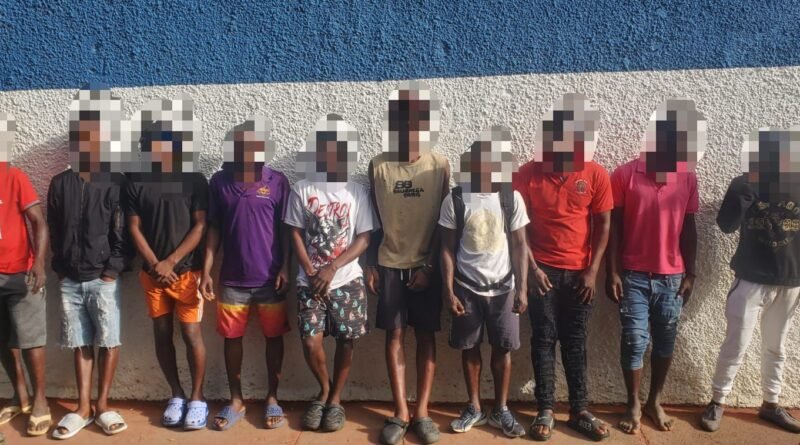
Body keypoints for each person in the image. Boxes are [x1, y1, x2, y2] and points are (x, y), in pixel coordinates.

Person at [512, 93, 612, 442]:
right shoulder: (527, 174)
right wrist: (533, 269)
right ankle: (545, 410)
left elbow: (604, 225)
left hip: (580, 275)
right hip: (542, 273)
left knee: (575, 340)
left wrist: (593, 270)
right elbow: (518, 229)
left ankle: (579, 410)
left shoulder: (595, 173)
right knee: (543, 339)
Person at [606, 99, 703, 434]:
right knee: (634, 340)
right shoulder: (625, 175)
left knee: (665, 341)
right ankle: (633, 403)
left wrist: (691, 272)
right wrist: (612, 271)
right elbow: (614, 227)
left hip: (673, 277)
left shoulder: (687, 177)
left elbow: (689, 228)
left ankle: (654, 401)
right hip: (633, 275)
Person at [700, 127, 800, 433]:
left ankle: (771, 403)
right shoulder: (744, 183)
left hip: (790, 280)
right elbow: (726, 224)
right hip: (750, 279)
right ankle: (717, 401)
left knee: (776, 347)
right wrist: (749, 187)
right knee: (736, 344)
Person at [366, 81, 450, 445]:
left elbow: (446, 223)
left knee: (426, 336)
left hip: (425, 267)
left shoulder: (439, 165)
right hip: (389, 264)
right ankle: (400, 411)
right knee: (395, 335)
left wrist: (430, 267)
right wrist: (370, 263)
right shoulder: (378, 165)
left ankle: (423, 412)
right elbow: (372, 219)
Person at [48, 87, 131, 439]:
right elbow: (54, 228)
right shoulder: (59, 183)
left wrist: (113, 270)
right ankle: (82, 408)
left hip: (103, 278)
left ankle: (103, 405)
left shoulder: (115, 182)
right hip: (70, 278)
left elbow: (123, 231)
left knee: (108, 341)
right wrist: (60, 267)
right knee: (79, 342)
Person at [200, 117, 291, 431]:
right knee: (231, 339)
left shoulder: (277, 181)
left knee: (274, 337)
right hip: (232, 280)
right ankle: (236, 399)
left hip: (270, 278)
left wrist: (286, 267)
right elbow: (214, 229)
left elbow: (286, 229)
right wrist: (206, 270)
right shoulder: (219, 182)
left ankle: (272, 398)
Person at [286, 114, 375, 433]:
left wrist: (332, 267)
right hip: (309, 281)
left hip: (347, 279)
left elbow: (364, 238)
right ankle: (324, 391)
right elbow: (295, 233)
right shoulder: (302, 189)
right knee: (311, 342)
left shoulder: (357, 191)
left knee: (346, 341)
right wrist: (312, 271)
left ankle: (335, 400)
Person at [125, 98, 210, 430]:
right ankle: (176, 394)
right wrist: (155, 264)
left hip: (188, 272)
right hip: (153, 276)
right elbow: (134, 227)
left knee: (191, 334)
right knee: (161, 334)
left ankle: (198, 398)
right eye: (154, 144)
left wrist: (171, 261)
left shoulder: (194, 180)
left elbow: (200, 225)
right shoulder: (136, 182)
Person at [440, 127, 529, 438]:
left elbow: (520, 244)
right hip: (466, 288)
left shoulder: (510, 198)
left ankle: (501, 409)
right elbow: (446, 249)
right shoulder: (456, 199)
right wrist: (449, 291)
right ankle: (474, 407)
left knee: (503, 349)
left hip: (504, 289)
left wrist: (522, 288)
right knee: (470, 348)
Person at [0, 112, 51, 438]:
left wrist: (39, 264)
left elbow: (38, 222)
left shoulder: (14, 176)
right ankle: (20, 397)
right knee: (3, 341)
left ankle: (41, 400)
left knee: (31, 341)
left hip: (21, 274)